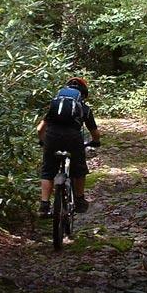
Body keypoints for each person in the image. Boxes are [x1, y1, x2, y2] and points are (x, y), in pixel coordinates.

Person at [36, 77, 101, 217]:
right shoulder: (84, 108)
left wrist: (43, 141)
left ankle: (44, 205)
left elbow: (40, 128)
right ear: (83, 94)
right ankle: (79, 199)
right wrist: (95, 142)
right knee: (79, 169)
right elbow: (95, 133)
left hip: (52, 137)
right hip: (73, 139)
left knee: (47, 171)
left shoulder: (54, 105)